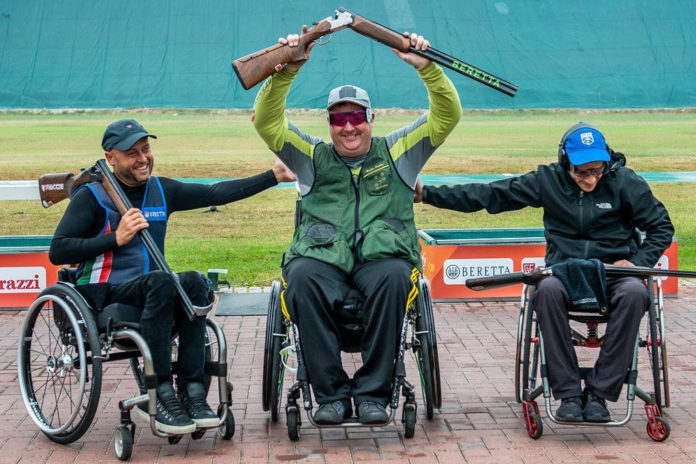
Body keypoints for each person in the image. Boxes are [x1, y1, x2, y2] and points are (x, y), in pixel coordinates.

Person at [252, 27, 462, 425]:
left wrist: (427, 68)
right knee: (301, 278)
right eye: (339, 118)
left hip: (382, 261)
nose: (348, 127)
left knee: (395, 278)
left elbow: (447, 114)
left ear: (370, 118)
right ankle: (329, 396)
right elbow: (266, 121)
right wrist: (287, 68)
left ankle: (372, 396)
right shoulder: (310, 156)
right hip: (322, 260)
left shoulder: (400, 151)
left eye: (356, 117)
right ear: (329, 123)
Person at [49, 119, 295, 434]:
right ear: (110, 158)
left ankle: (193, 393)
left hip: (155, 292)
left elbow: (215, 192)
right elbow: (58, 251)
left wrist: (273, 176)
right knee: (164, 281)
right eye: (131, 154)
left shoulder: (161, 189)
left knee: (192, 281)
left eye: (146, 149)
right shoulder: (92, 196)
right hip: (104, 294)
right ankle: (161, 392)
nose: (142, 159)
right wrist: (116, 239)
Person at [416, 122, 674, 422]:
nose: (591, 179)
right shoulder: (547, 180)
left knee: (634, 294)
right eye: (582, 171)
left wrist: (638, 261)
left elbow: (661, 227)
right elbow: (491, 196)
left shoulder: (627, 182)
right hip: (564, 271)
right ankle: (568, 394)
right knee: (547, 291)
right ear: (566, 162)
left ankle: (600, 394)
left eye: (597, 170)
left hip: (615, 273)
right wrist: (429, 195)